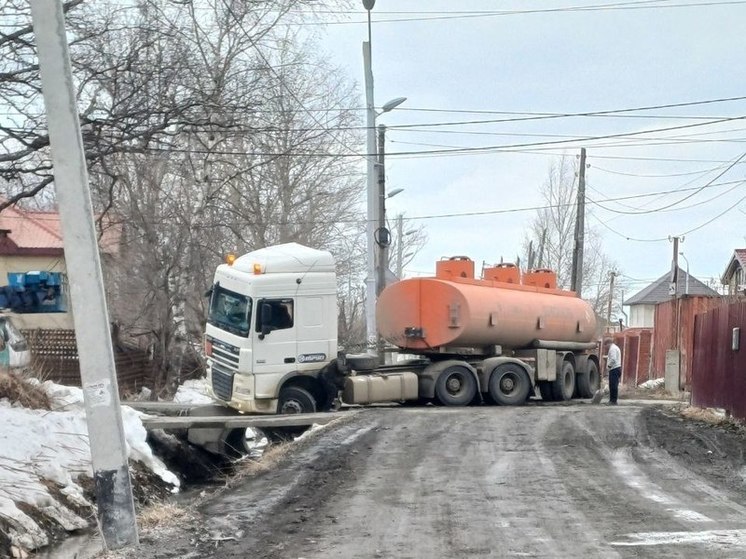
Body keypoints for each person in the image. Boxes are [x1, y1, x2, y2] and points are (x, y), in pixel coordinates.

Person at [603, 337, 622, 405]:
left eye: (605, 345)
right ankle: (612, 400)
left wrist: (608, 367)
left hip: (614, 369)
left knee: (613, 385)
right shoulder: (614, 347)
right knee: (613, 385)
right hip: (616, 368)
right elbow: (612, 357)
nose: (605, 347)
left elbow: (613, 359)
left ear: (608, 343)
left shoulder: (612, 349)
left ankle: (613, 401)